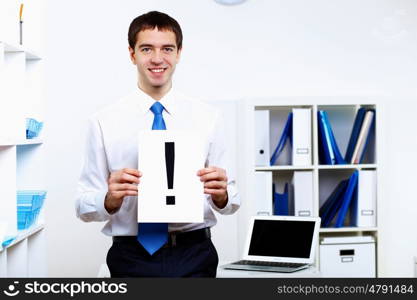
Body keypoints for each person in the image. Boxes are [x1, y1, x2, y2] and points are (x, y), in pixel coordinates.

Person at [75, 11, 240, 278]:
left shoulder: (208, 118)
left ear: (178, 53)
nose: (157, 59)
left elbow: (232, 200)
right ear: (132, 54)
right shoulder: (103, 121)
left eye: (167, 49)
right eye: (146, 49)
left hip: (195, 253)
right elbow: (82, 205)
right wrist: (108, 199)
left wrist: (222, 194)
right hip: (130, 257)